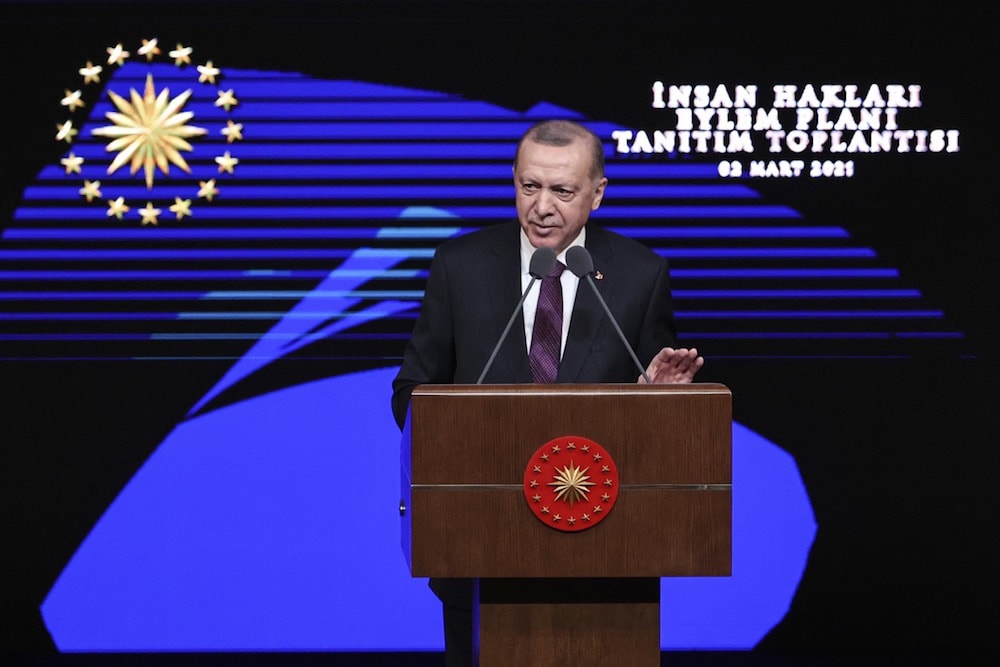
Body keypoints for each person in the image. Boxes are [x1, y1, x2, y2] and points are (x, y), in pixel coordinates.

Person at [391, 119, 703, 666]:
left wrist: (660, 401)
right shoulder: (459, 267)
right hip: (480, 542)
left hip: (607, 551)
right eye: (529, 186)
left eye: (562, 191)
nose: (541, 206)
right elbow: (412, 391)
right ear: (513, 180)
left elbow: (650, 403)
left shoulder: (640, 274)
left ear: (597, 194)